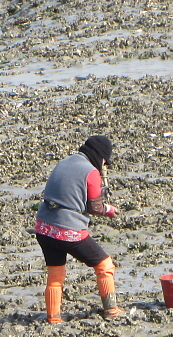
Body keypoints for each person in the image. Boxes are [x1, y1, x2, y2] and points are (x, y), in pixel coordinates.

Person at [34, 135, 122, 323]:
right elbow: (95, 207)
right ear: (100, 156)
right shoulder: (91, 172)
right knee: (104, 265)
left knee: (55, 273)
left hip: (43, 227)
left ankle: (53, 318)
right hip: (67, 230)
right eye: (105, 161)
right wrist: (109, 210)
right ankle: (111, 310)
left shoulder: (64, 163)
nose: (104, 165)